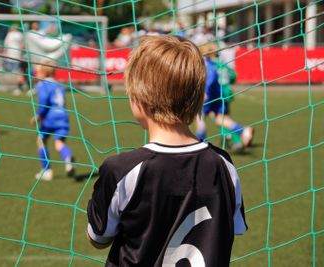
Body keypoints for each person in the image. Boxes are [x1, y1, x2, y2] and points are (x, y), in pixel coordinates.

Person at [86, 35, 247, 266]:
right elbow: (232, 228)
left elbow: (98, 238)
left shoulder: (121, 170)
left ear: (137, 100)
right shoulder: (224, 165)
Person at [195, 43, 254, 151]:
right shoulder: (216, 64)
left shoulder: (206, 65)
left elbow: (210, 79)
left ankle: (201, 144)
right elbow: (233, 75)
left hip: (210, 96)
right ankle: (242, 131)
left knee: (200, 118)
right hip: (222, 94)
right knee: (219, 119)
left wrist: (205, 92)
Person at [31, 61, 75, 181]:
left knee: (41, 140)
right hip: (63, 116)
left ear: (44, 73)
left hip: (50, 117)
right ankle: (68, 158)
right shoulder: (59, 85)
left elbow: (44, 101)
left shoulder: (43, 85)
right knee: (59, 143)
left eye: (38, 72)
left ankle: (47, 171)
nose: (35, 74)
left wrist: (38, 116)